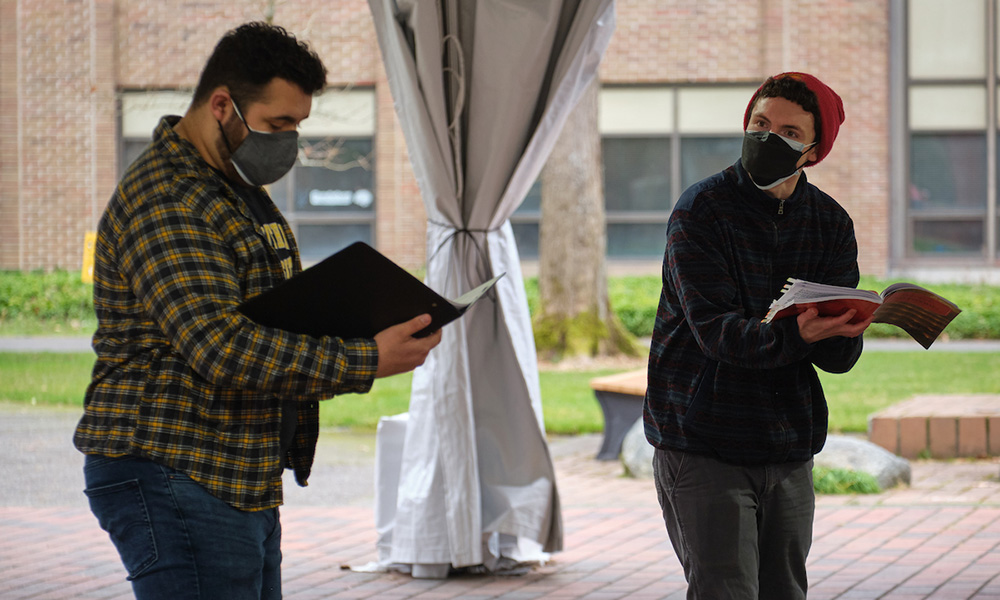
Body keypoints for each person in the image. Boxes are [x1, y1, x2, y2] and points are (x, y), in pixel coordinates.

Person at [73, 22, 441, 599]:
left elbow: (266, 314)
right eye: (278, 124)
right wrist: (364, 357)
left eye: (297, 124)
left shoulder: (230, 186)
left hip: (235, 469)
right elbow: (222, 346)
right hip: (175, 466)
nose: (289, 142)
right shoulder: (169, 197)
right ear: (222, 105)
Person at [643, 72, 872, 599]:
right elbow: (718, 335)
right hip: (703, 442)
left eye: (789, 133)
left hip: (788, 445)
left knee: (786, 592)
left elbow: (836, 360)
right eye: (760, 123)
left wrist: (846, 328)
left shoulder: (831, 224)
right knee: (726, 592)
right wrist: (801, 336)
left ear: (813, 152)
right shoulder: (700, 211)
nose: (768, 138)